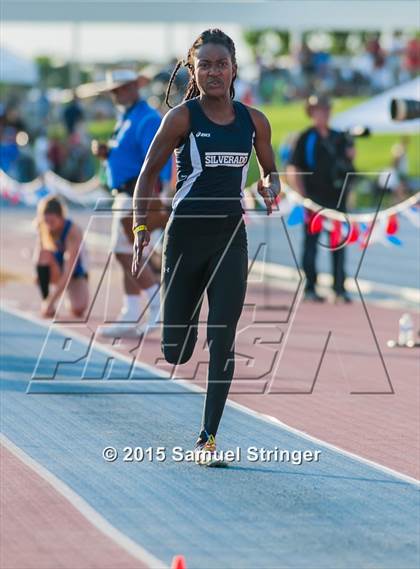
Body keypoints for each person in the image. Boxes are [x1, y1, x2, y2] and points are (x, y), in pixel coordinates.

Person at [131, 29, 280, 465]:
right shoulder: (181, 118)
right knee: (176, 350)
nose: (214, 71)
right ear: (194, 71)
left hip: (230, 237)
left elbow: (270, 172)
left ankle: (208, 438)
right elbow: (146, 174)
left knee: (225, 336)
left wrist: (270, 187)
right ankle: (185, 312)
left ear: (234, 69)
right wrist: (142, 229)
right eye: (206, 65)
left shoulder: (254, 122)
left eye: (222, 64)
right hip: (185, 239)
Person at [91, 69, 172, 337]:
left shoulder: (146, 118)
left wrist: (153, 196)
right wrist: (108, 154)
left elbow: (158, 158)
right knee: (126, 252)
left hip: (138, 192)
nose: (116, 94)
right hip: (126, 192)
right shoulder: (127, 117)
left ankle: (155, 304)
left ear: (134, 88)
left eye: (121, 89)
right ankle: (132, 312)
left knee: (125, 252)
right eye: (114, 90)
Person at [286, 94, 355, 303]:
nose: (323, 114)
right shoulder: (305, 137)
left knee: (339, 244)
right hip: (314, 200)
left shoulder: (340, 136)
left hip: (337, 200)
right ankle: (310, 287)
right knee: (311, 245)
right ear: (312, 113)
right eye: (318, 110)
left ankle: (339, 288)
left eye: (326, 110)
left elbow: (349, 165)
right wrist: (303, 197)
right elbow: (293, 167)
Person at [33, 195, 89, 318]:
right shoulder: (43, 227)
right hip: (56, 269)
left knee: (78, 309)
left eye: (52, 222)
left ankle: (56, 298)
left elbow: (69, 271)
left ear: (61, 218)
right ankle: (46, 300)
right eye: (46, 221)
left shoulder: (73, 231)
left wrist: (51, 301)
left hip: (74, 272)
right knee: (44, 254)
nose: (49, 225)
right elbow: (38, 259)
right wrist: (48, 301)